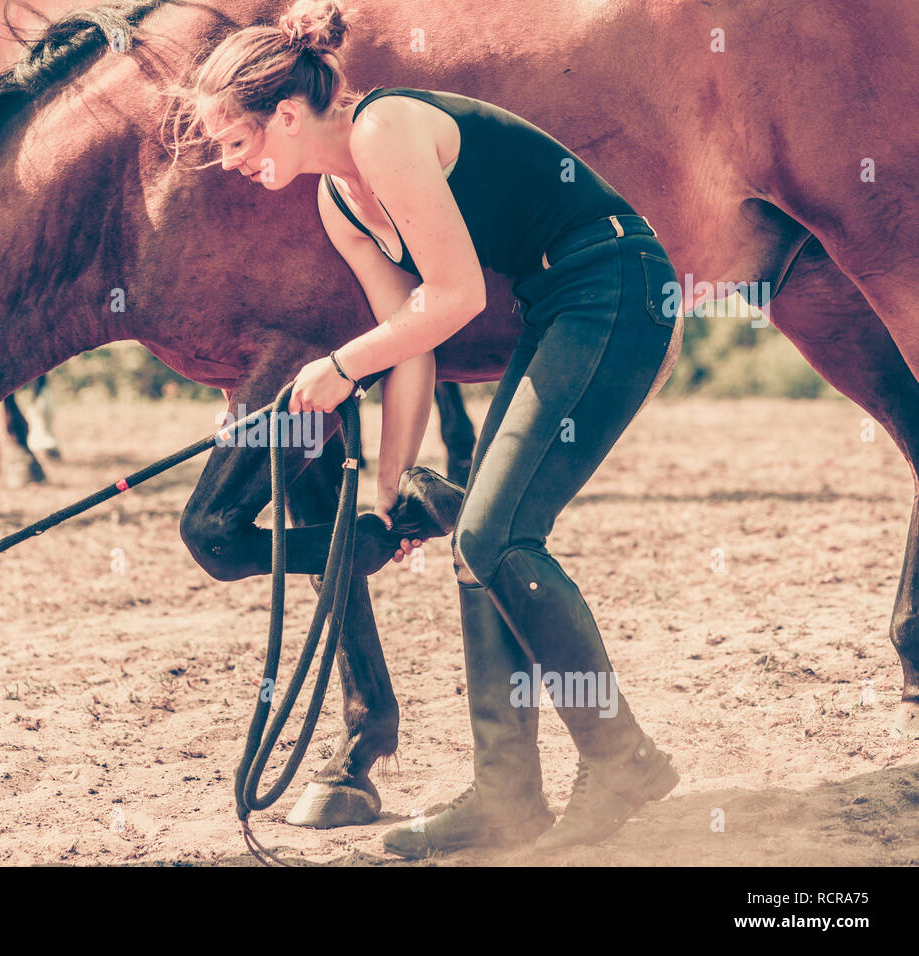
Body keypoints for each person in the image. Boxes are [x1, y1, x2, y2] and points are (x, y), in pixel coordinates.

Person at [174, 0, 683, 855]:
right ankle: (507, 796)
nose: (233, 163)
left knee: (494, 533)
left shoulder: (385, 131)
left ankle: (621, 757)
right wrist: (386, 492)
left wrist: (338, 368)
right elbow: (416, 349)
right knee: (473, 535)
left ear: (287, 117)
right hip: (556, 304)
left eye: (237, 142)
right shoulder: (340, 203)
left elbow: (457, 300)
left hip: (617, 287)